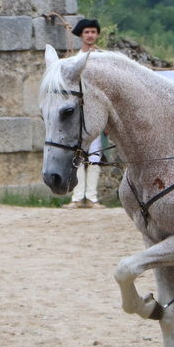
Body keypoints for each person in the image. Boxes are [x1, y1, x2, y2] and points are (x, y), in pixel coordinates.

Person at [67, 18, 104, 208]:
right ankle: (77, 197)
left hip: (97, 112)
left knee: (95, 155)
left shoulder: (104, 60)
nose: (90, 35)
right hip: (78, 113)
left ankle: (92, 198)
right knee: (78, 155)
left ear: (97, 34)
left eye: (93, 32)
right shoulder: (73, 61)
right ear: (81, 35)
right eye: (87, 32)